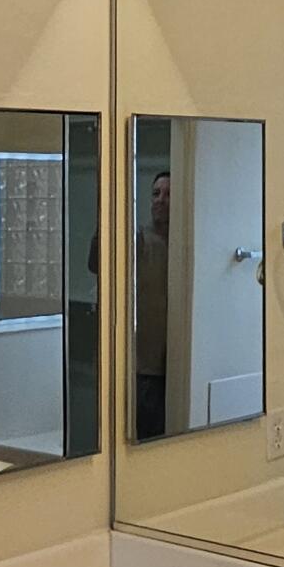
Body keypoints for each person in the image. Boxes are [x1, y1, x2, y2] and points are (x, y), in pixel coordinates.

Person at [133, 170, 170, 438]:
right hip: (147, 366)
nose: (161, 200)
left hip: (180, 364)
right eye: (156, 193)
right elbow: (95, 263)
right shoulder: (141, 239)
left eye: (168, 194)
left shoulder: (189, 243)